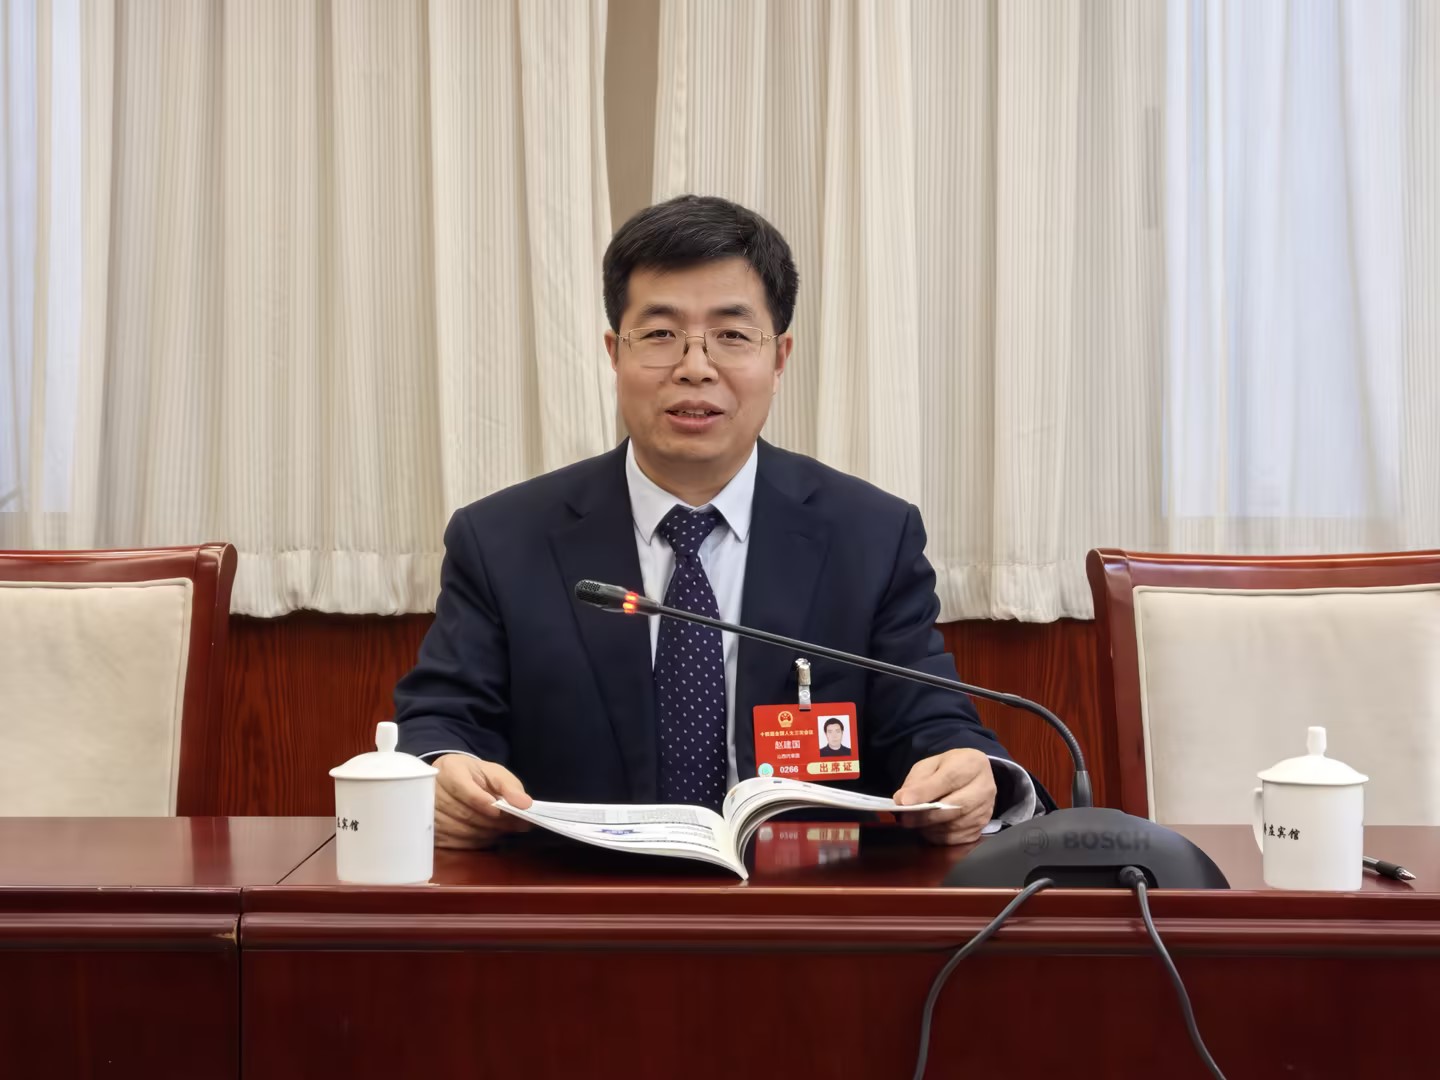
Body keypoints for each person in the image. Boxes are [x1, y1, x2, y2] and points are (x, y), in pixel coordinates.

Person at [394, 194, 1048, 849]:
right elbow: (442, 722)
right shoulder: (503, 540)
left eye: (732, 336)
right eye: (660, 335)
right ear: (614, 353)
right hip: (582, 894)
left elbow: (932, 725)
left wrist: (965, 771)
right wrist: (441, 770)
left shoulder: (869, 536)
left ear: (780, 358)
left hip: (807, 898)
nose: (695, 367)